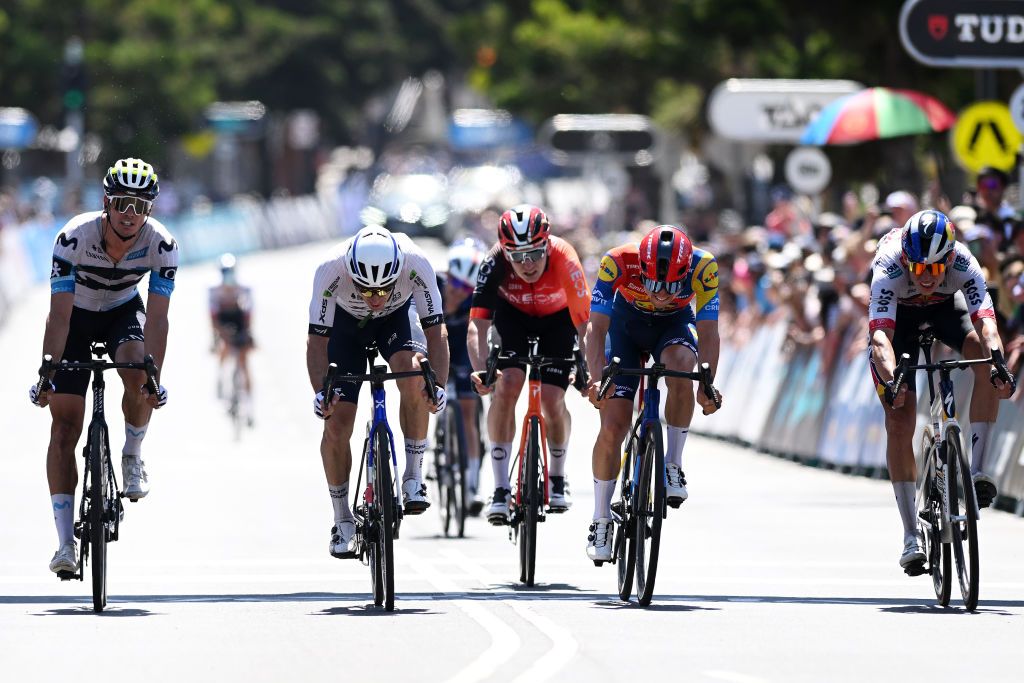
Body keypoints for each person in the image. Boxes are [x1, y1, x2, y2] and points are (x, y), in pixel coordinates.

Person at [30, 158, 175, 576]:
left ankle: (132, 453)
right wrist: (48, 373)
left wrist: (154, 377)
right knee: (64, 427)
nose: (130, 215)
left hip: (122, 313)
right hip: (74, 318)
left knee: (137, 371)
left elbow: (159, 319)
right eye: (122, 204)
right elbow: (58, 317)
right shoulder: (73, 238)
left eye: (140, 205)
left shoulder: (162, 245)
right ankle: (63, 544)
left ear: (150, 209)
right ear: (106, 202)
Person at [867, 209, 1015, 573]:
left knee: (983, 357)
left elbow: (987, 324)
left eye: (935, 269)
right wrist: (892, 379)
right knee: (899, 417)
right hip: (898, 322)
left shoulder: (964, 259)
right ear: (906, 260)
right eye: (918, 269)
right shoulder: (888, 265)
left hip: (948, 311)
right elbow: (880, 337)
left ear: (949, 259)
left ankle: (977, 471)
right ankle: (910, 536)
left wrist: (998, 363)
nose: (927, 277)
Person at [306, 224, 449, 559]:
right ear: (351, 273)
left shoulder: (416, 262)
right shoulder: (330, 269)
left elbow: (436, 331)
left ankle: (413, 477)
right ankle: (342, 520)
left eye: (383, 289)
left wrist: (438, 385)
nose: (375, 297)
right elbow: (317, 343)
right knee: (338, 423)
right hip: (345, 328)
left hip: (396, 321)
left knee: (414, 371)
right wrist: (320, 392)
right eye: (366, 290)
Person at [583, 224, 723, 563]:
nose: (661, 293)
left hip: (673, 325)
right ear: (641, 268)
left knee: (683, 366)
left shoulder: (704, 267)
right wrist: (597, 377)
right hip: (625, 326)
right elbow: (596, 327)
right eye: (654, 283)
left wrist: (706, 385)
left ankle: (672, 463)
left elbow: (709, 334)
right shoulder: (617, 261)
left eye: (671, 285)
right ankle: (601, 518)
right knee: (613, 426)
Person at [467, 205, 590, 524]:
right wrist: (482, 372)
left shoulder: (564, 256)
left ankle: (558, 478)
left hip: (559, 320)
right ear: (505, 252)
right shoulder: (493, 261)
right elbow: (477, 326)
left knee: (553, 398)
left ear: (547, 245)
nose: (528, 264)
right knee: (505, 386)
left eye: (535, 253)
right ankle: (499, 488)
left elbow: (585, 325)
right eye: (517, 256)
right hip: (513, 318)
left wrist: (590, 370)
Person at [442, 238, 486, 513]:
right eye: (456, 284)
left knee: (468, 412)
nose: (459, 293)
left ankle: (471, 487)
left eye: (467, 289)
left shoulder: (478, 298)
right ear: (447, 275)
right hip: (438, 346)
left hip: (464, 349)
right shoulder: (432, 286)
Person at [209, 253, 255, 423]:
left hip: (239, 319)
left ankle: (249, 406)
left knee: (244, 362)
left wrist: (249, 333)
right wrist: (216, 337)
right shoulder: (213, 290)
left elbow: (249, 314)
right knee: (225, 347)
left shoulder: (245, 288)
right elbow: (212, 318)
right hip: (222, 321)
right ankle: (221, 376)